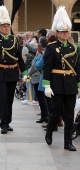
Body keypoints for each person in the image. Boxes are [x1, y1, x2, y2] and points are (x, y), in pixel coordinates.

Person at [43, 6, 80, 151]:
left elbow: (76, 68)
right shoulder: (51, 47)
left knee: (70, 115)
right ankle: (49, 131)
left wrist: (78, 83)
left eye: (67, 31)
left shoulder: (73, 48)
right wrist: (47, 85)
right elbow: (47, 67)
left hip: (70, 84)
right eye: (62, 31)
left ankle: (68, 142)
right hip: (57, 84)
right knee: (56, 112)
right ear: (57, 33)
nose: (65, 33)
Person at [0, 6, 28, 134]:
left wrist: (25, 72)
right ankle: (3, 124)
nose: (6, 28)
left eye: (7, 26)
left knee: (10, 99)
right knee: (3, 98)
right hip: (1, 73)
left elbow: (19, 59)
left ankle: (8, 121)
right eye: (4, 26)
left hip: (12, 72)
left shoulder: (14, 40)